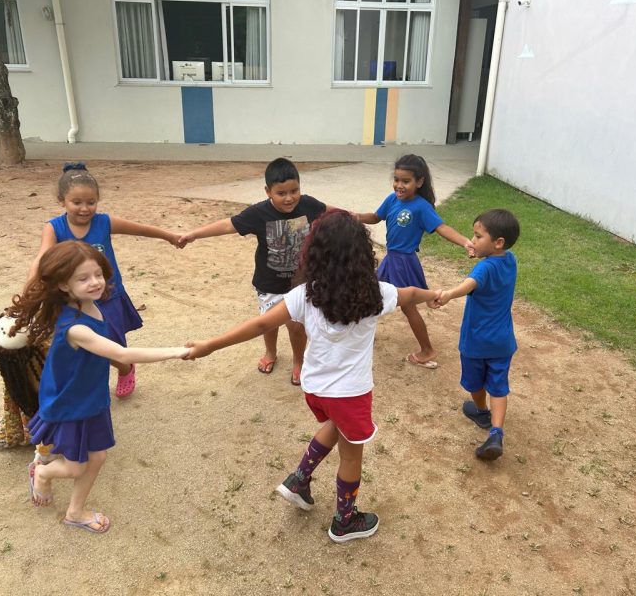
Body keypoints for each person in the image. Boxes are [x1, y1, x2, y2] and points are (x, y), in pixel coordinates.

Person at [182, 211, 446, 542]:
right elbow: (408, 293)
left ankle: (299, 480)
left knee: (334, 424)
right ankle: (345, 522)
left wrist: (211, 344)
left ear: (314, 253)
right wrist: (431, 293)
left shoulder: (305, 294)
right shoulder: (376, 294)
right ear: (363, 255)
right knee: (351, 455)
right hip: (350, 394)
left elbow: (262, 323)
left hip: (316, 389)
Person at [8, 241, 189, 533]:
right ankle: (42, 472)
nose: (94, 282)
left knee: (98, 457)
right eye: (83, 278)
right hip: (71, 404)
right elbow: (122, 355)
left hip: (90, 397)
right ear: (64, 285)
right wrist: (177, 351)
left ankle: (75, 512)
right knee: (78, 465)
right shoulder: (76, 327)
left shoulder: (93, 306)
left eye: (97, 274)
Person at [27, 162, 183, 399]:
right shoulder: (54, 227)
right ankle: (83, 384)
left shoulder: (104, 222)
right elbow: (41, 259)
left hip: (107, 296)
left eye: (91, 202)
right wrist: (27, 293)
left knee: (114, 350)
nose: (84, 208)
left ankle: (125, 368)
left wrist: (170, 236)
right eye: (76, 202)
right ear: (62, 201)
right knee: (81, 345)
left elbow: (140, 230)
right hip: (74, 300)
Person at [178, 157, 334, 386]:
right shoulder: (259, 213)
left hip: (301, 282)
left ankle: (299, 361)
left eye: (294, 190)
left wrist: (361, 217)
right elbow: (227, 225)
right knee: (269, 324)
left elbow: (332, 212)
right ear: (268, 191)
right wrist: (194, 234)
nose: (289, 197)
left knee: (297, 326)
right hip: (269, 283)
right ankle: (271, 353)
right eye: (281, 193)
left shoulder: (308, 205)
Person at [356, 154, 474, 370]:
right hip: (391, 258)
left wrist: (465, 242)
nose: (399, 185)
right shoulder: (392, 199)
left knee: (408, 308)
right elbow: (375, 216)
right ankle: (363, 336)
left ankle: (427, 349)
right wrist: (356, 216)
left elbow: (441, 227)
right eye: (396, 179)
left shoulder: (421, 207)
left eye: (405, 181)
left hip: (404, 262)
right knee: (369, 295)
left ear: (419, 182)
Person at [438, 209, 520, 461]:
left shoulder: (483, 269)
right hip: (502, 340)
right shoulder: (511, 259)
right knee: (498, 386)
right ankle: (496, 432)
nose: (472, 241)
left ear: (497, 242)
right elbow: (488, 270)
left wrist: (449, 294)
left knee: (475, 382)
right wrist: (480, 252)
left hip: (476, 340)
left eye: (477, 236)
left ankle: (481, 411)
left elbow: (470, 284)